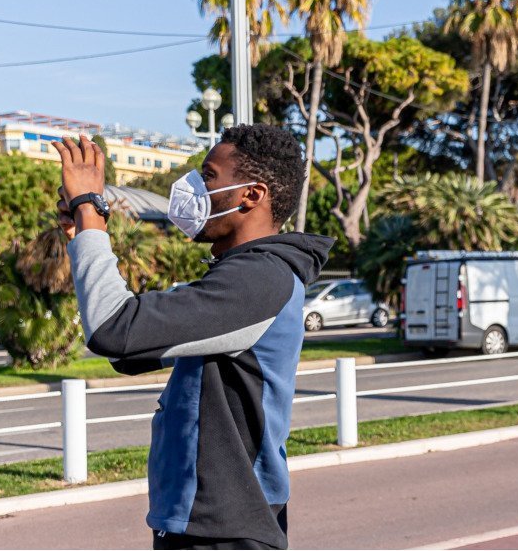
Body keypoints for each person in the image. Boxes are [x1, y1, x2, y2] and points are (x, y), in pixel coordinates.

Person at [54, 126, 334, 550]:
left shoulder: (259, 280)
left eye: (208, 175)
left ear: (252, 195)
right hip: (200, 522)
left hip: (225, 527)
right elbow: (131, 352)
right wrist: (82, 239)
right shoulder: (242, 276)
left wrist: (91, 210)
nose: (193, 187)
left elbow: (116, 330)